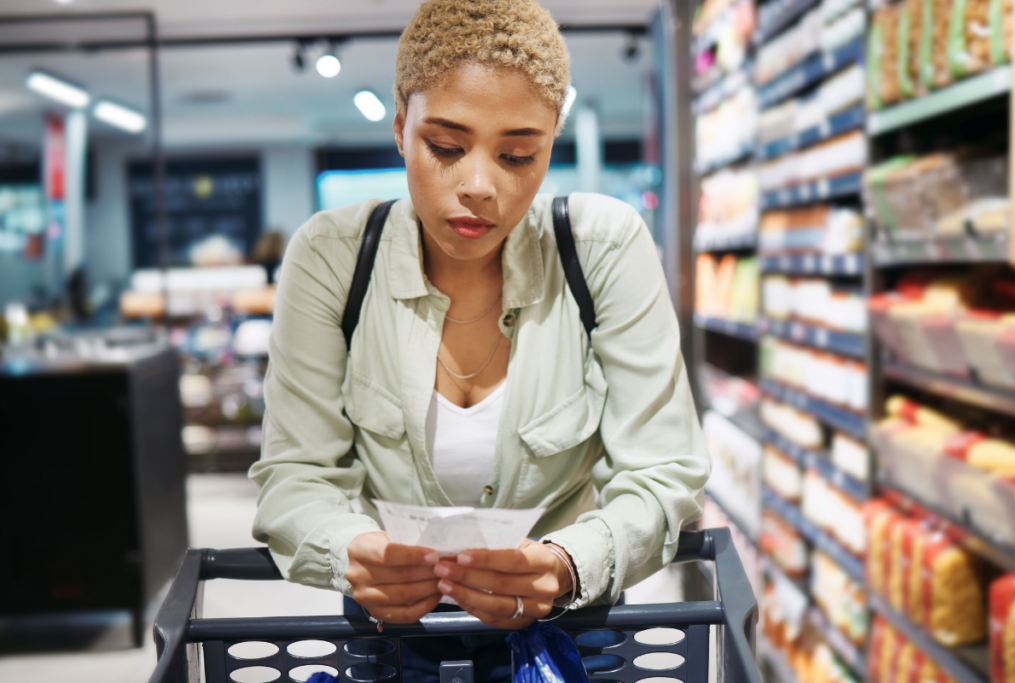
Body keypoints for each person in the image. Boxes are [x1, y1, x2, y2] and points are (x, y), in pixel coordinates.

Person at [249, 0, 711, 680]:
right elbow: (294, 475)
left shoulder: (602, 248)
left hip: (573, 641)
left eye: (518, 153)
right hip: (394, 642)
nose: (479, 186)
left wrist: (564, 562)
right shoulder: (333, 258)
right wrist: (353, 549)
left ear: (552, 139)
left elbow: (663, 471)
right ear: (401, 126)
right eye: (445, 146)